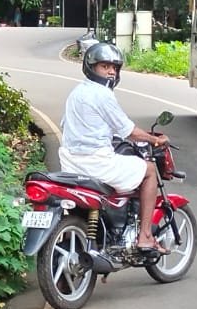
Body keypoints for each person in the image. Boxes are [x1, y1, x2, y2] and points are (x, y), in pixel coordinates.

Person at [59, 42, 171, 253]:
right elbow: (129, 131)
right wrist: (154, 140)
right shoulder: (102, 94)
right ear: (91, 67)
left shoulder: (76, 92)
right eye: (105, 66)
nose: (111, 71)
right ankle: (145, 236)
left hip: (71, 162)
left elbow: (67, 125)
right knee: (148, 170)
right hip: (96, 163)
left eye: (115, 67)